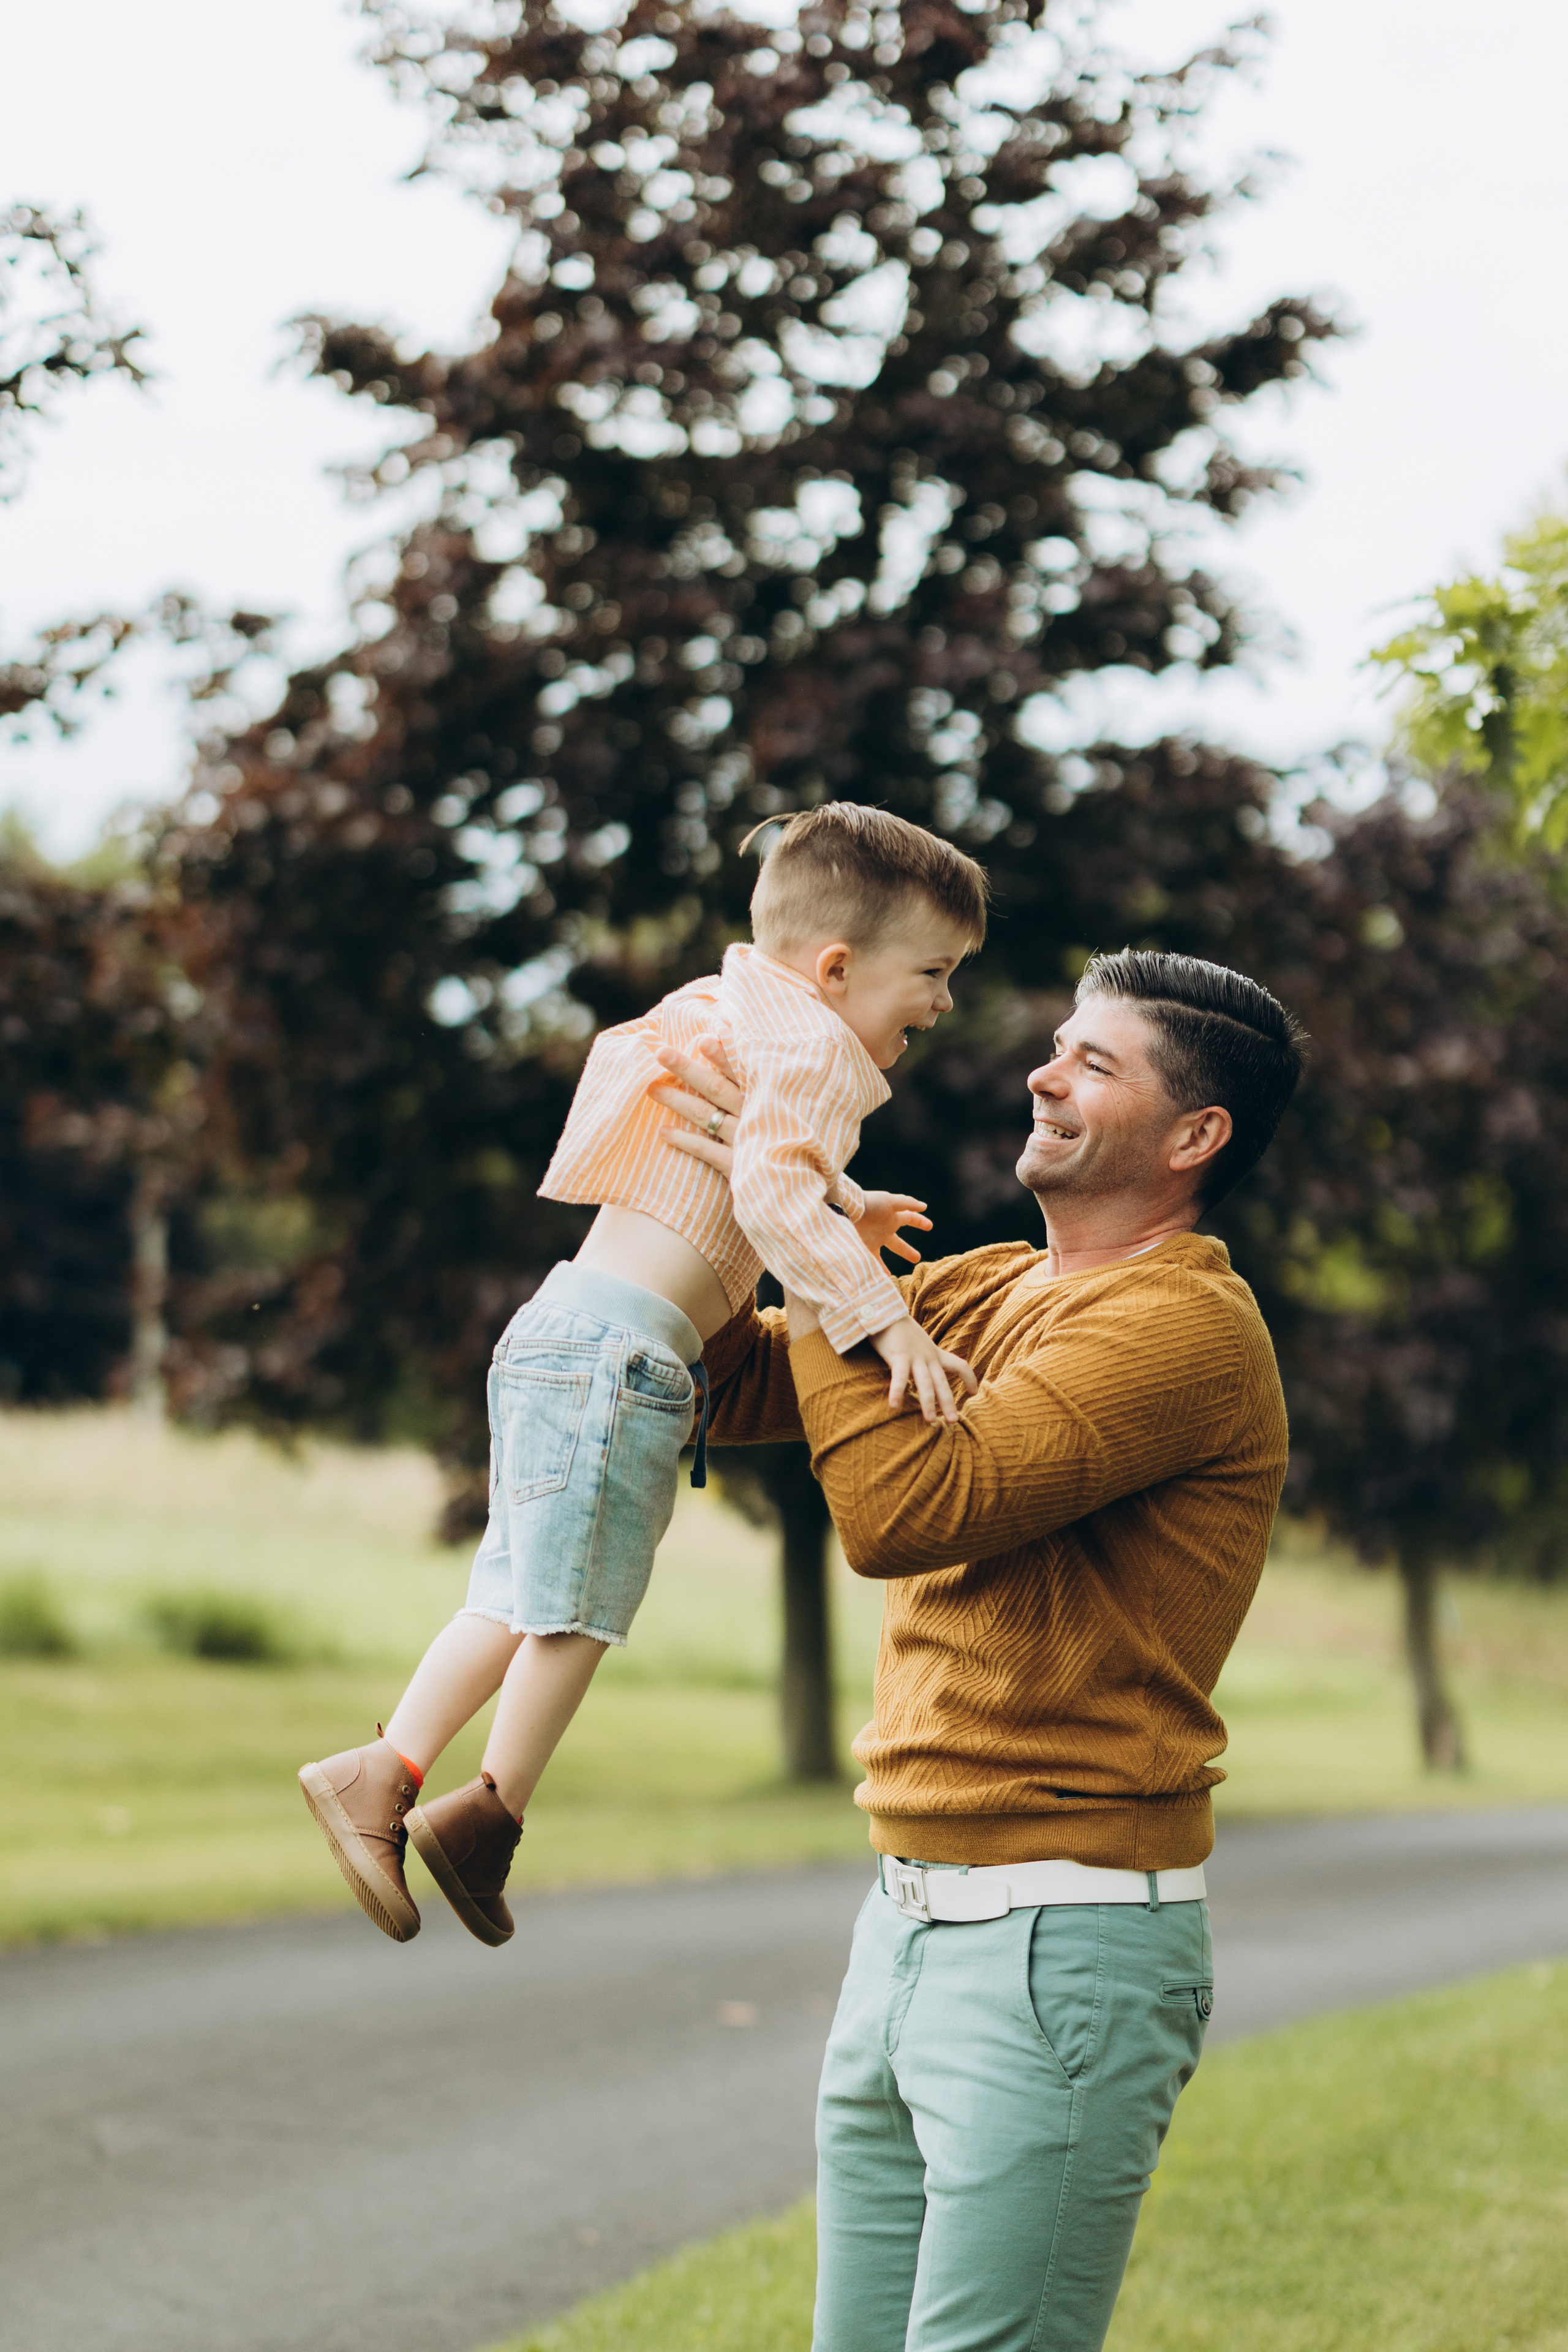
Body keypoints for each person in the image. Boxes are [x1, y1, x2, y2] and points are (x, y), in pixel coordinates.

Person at [654, 946, 1307, 2352]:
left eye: (1092, 1062)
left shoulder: (1182, 1328)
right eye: (1054, 1044)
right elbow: (728, 1377)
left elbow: (907, 1508)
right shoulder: (984, 1285)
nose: (1040, 1071)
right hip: (899, 1928)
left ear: (1194, 1137)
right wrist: (724, 1190)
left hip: (1063, 1949)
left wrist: (811, 1241)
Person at [298, 805, 987, 1948]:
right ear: (835, 968)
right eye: (934, 972)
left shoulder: (731, 1004)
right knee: (579, 1610)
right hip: (626, 1358)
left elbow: (749, 1164)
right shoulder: (818, 1045)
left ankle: (395, 1770)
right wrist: (885, 1322)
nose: (943, 1003)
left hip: (563, 1330)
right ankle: (481, 1809)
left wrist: (847, 1205)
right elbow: (767, 1192)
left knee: (517, 1594)